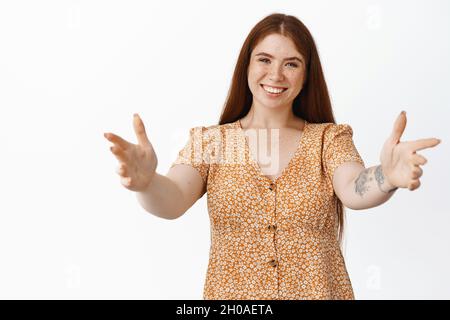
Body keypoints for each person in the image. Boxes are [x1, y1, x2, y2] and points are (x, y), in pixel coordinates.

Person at [103, 13, 441, 300]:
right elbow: (172, 199)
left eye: (291, 64)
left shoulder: (326, 140)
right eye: (264, 60)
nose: (275, 75)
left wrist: (386, 175)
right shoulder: (215, 143)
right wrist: (146, 184)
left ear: (306, 74)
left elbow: (354, 187)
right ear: (246, 65)